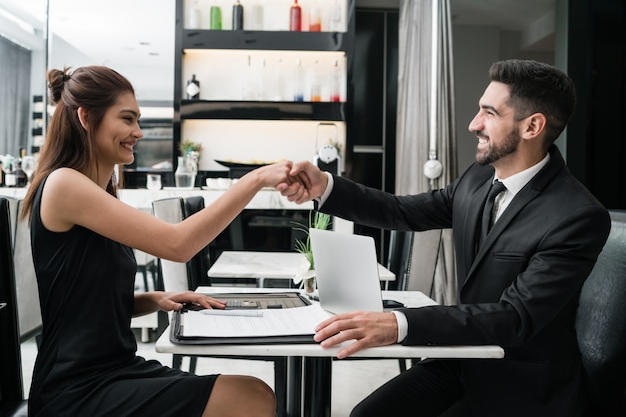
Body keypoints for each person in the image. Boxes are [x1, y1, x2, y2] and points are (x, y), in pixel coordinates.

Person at [277, 59, 611, 416]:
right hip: (462, 360)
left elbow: (514, 317)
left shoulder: (576, 215)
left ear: (532, 126)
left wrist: (399, 324)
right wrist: (325, 186)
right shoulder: (478, 179)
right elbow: (402, 211)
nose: (474, 124)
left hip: (522, 385)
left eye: (489, 113)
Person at [21, 65, 301, 416]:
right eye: (127, 119)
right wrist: (256, 178)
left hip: (116, 369)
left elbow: (85, 301)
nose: (137, 132)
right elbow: (178, 244)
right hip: (75, 388)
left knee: (255, 392)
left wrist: (156, 298)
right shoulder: (64, 184)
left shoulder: (95, 193)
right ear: (86, 117)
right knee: (251, 397)